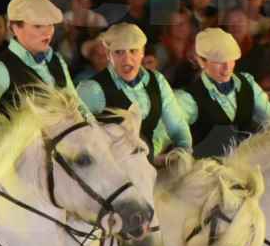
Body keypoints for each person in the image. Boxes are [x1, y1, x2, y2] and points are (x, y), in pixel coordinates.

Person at [76, 23, 192, 159]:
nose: (127, 59)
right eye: (119, 52)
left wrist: (183, 155)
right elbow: (78, 139)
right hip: (114, 174)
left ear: (142, 52)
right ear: (108, 55)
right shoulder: (92, 89)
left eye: (133, 51)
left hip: (148, 169)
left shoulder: (157, 81)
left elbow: (177, 127)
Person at [174, 27, 270, 158]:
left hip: (248, 168)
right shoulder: (187, 98)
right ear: (201, 61)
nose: (227, 67)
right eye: (219, 62)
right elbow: (169, 134)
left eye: (231, 59)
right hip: (207, 172)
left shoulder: (248, 83)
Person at [0, 0, 76, 119]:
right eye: (38, 26)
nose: (48, 32)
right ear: (14, 28)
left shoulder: (57, 60)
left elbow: (77, 104)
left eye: (51, 24)